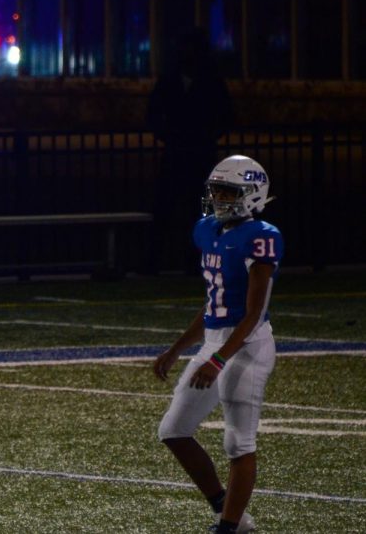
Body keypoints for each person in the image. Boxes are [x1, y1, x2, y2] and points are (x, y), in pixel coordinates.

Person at [153, 155, 283, 534]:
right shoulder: (207, 230)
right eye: (217, 190)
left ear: (253, 194)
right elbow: (214, 303)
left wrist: (220, 360)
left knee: (238, 442)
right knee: (173, 430)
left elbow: (253, 313)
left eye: (228, 191)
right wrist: (177, 348)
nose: (220, 198)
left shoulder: (263, 236)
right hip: (215, 342)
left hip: (248, 345)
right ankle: (228, 511)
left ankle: (228, 528)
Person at [147, 27, 234, 273]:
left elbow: (225, 116)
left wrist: (168, 134)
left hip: (190, 151)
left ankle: (176, 259)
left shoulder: (184, 80)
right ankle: (170, 259)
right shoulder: (196, 80)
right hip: (190, 150)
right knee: (175, 207)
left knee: (188, 209)